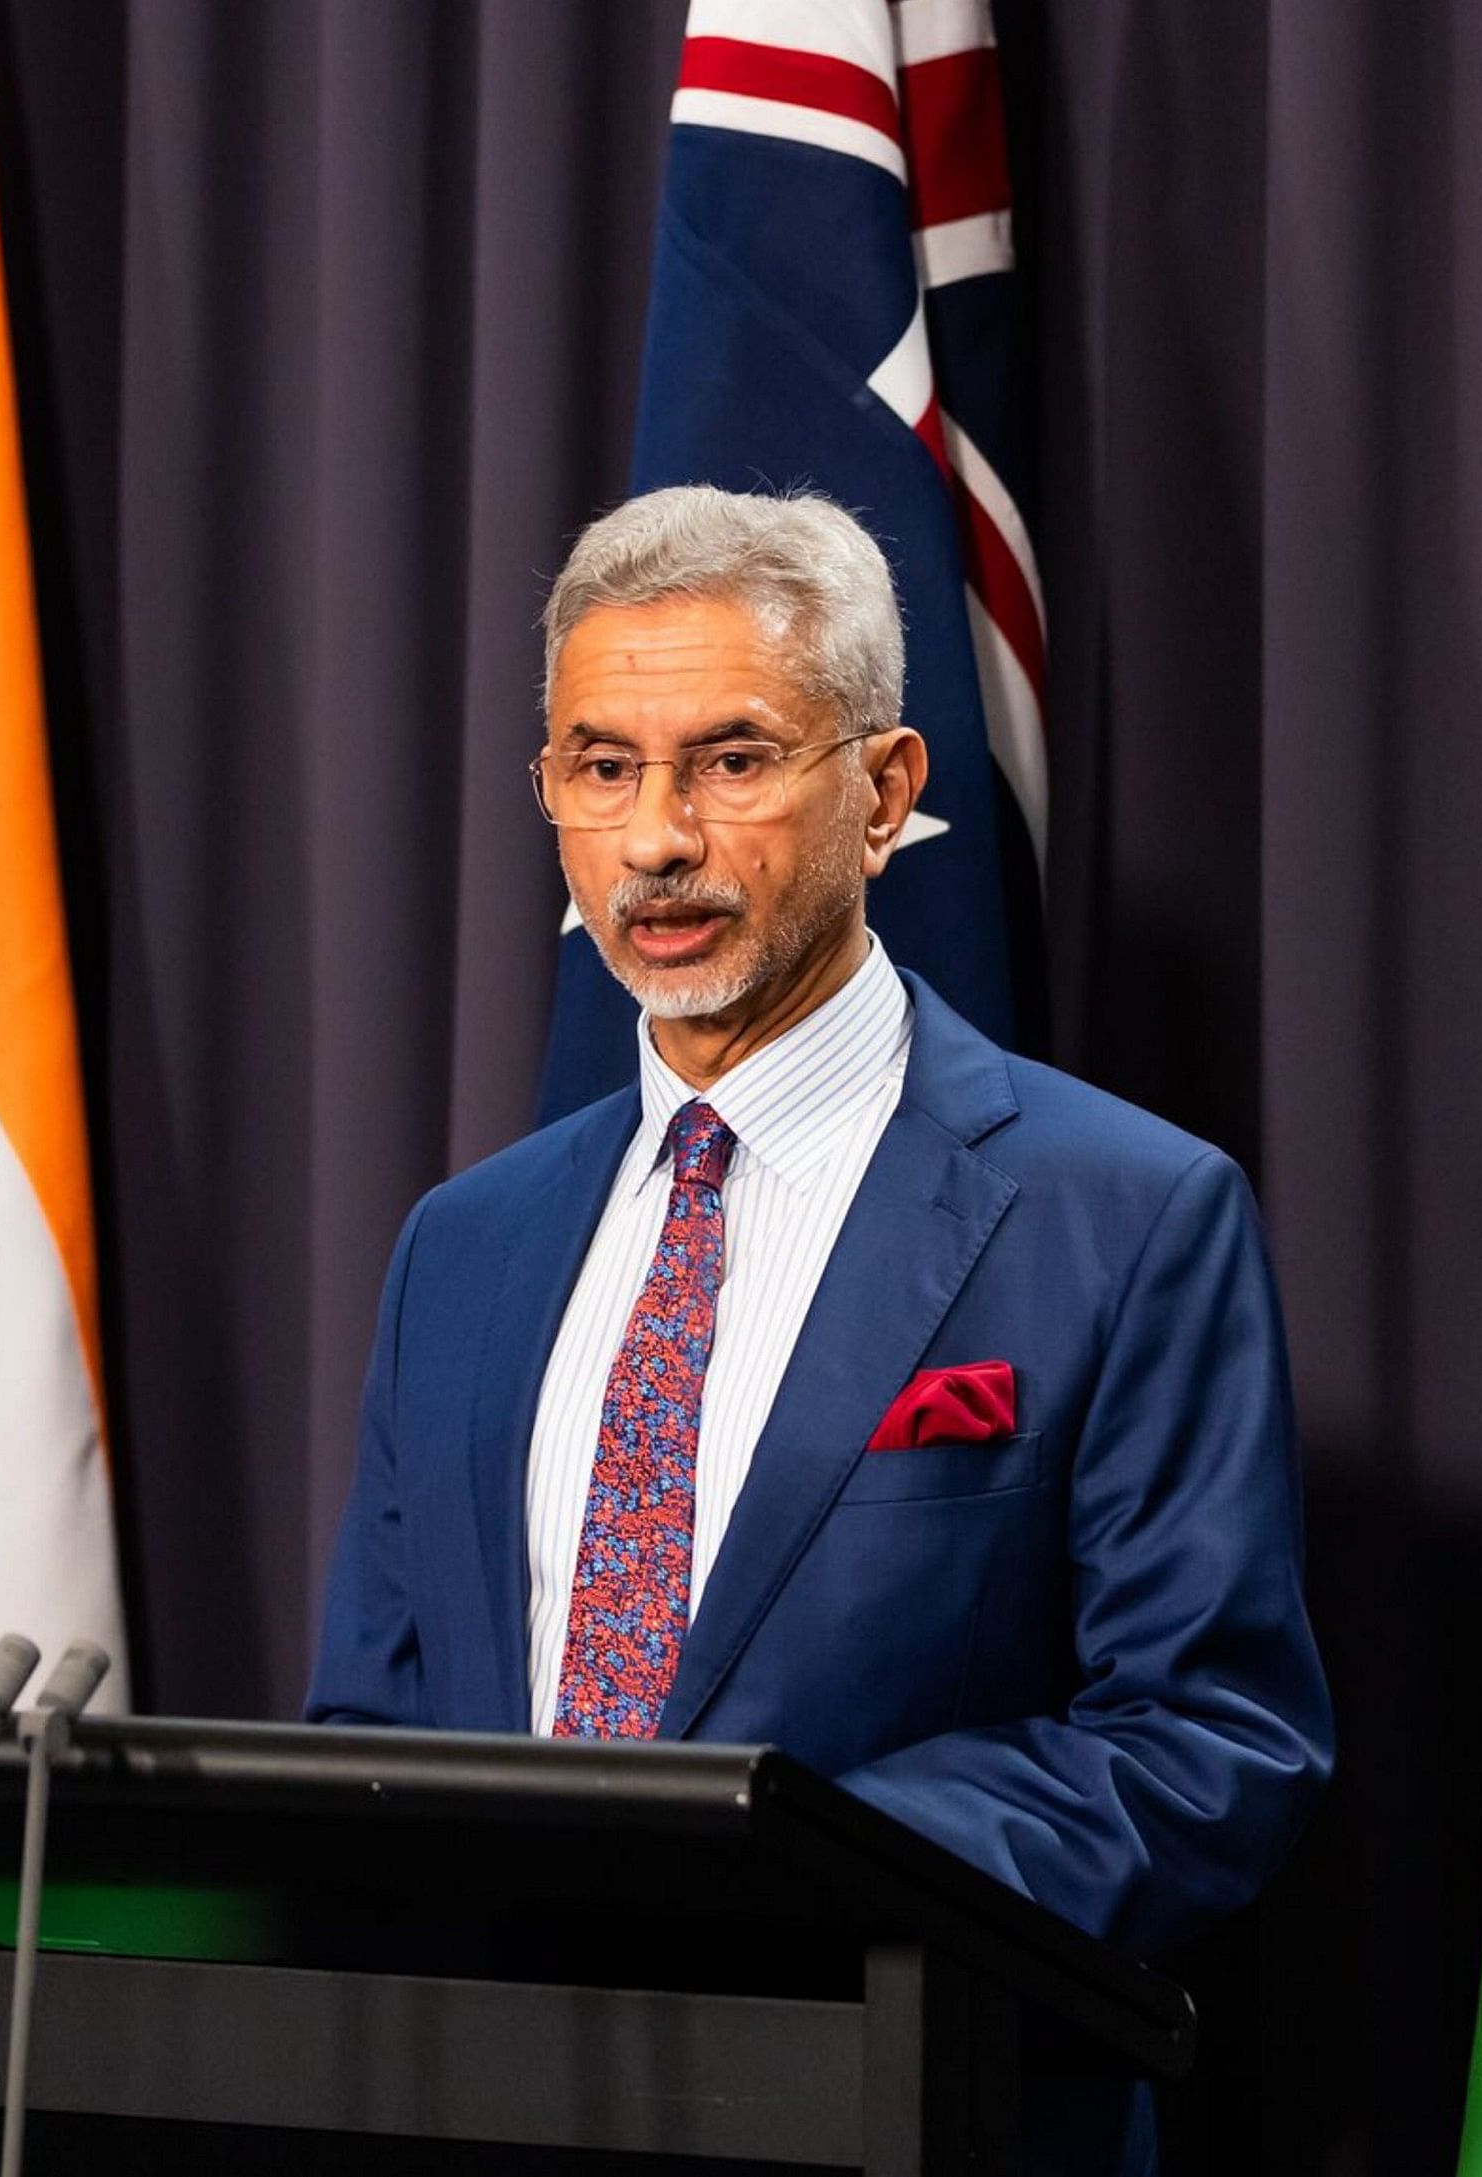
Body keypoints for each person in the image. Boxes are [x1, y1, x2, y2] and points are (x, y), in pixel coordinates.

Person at [306, 485, 1334, 2169]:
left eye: (729, 759)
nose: (655, 838)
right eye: (601, 765)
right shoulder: (463, 1248)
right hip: (508, 2120)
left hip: (921, 2113)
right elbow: (375, 1724)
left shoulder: (1124, 1214)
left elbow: (1210, 1742)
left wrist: (780, 1856)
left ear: (882, 793)